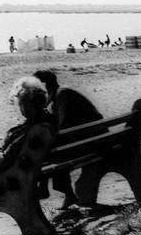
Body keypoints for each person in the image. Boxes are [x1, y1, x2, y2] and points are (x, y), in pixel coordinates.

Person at [33, 70, 104, 209]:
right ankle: (59, 192)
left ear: (45, 85)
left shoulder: (62, 95)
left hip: (91, 142)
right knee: (51, 151)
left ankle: (45, 187)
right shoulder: (60, 95)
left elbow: (63, 125)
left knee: (50, 153)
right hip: (93, 138)